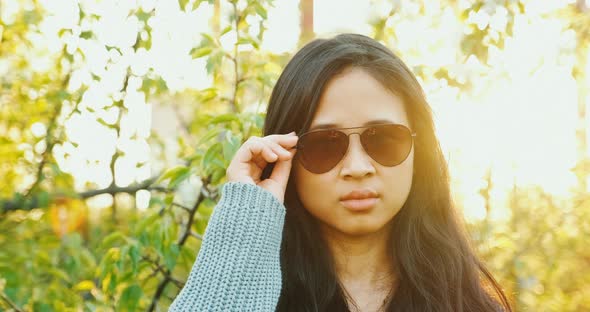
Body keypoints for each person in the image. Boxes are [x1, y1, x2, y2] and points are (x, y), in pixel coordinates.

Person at [169, 33, 512, 312]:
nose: (358, 168)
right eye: (324, 145)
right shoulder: (257, 297)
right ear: (285, 155)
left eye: (384, 140)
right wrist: (246, 222)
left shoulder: (467, 305)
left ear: (419, 152)